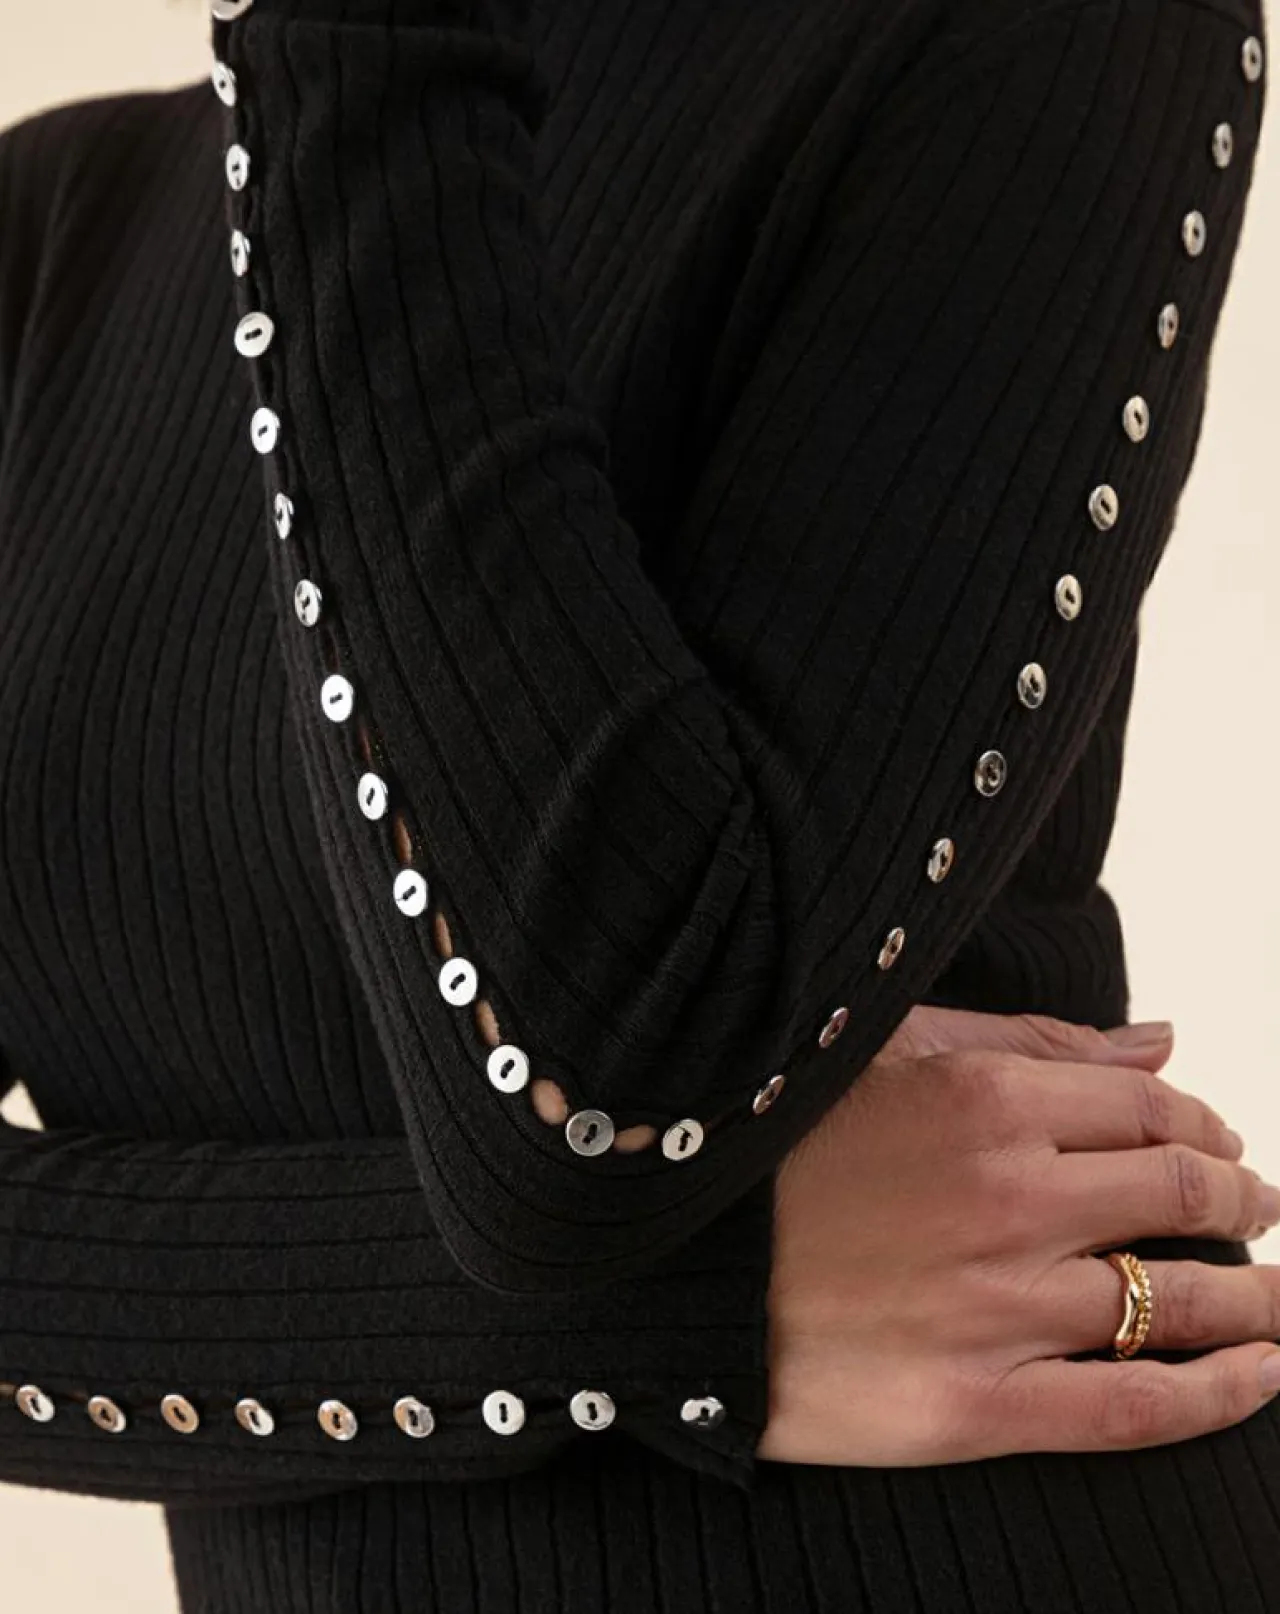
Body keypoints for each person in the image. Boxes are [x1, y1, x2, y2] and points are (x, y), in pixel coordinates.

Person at [0, 0, 1274, 1606]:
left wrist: (359, 56)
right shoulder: (48, 236)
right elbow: (600, 1180)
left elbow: (593, 1089)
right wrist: (700, 1317)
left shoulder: (1035, 37)